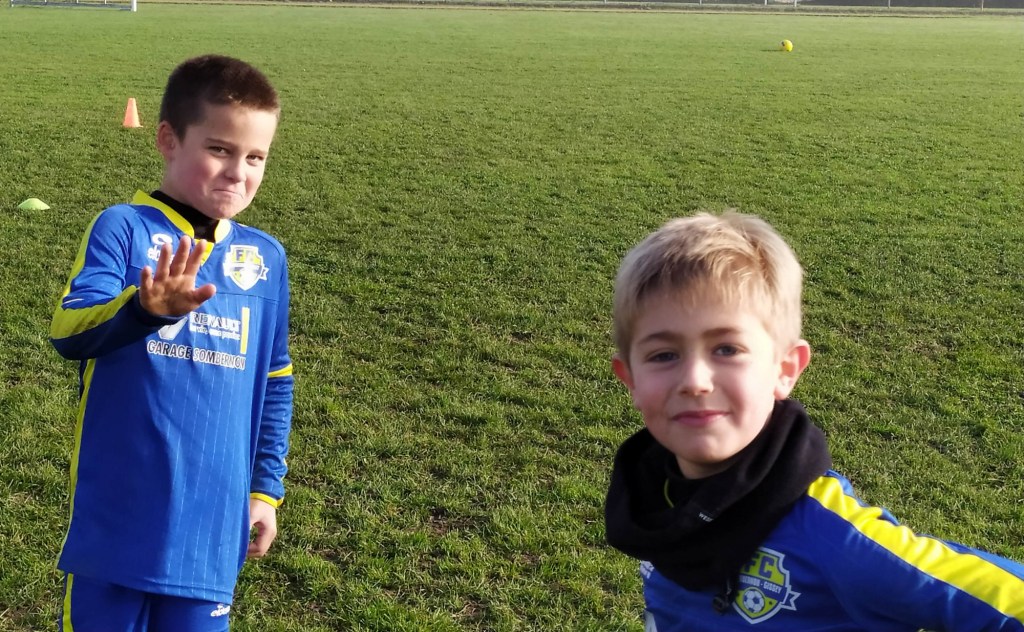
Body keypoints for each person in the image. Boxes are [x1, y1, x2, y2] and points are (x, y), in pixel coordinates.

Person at [604, 211, 1024, 630]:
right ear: (631, 379)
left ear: (785, 369)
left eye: (727, 349)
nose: (695, 381)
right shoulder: (648, 496)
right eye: (664, 355)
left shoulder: (829, 533)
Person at [50, 54, 293, 632]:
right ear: (167, 139)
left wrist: (265, 490)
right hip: (117, 523)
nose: (238, 172)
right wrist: (144, 310)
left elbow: (275, 382)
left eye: (255, 157)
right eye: (219, 149)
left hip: (211, 533)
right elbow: (69, 331)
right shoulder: (124, 227)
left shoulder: (264, 258)